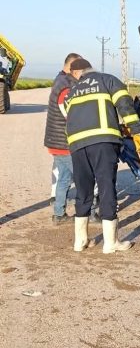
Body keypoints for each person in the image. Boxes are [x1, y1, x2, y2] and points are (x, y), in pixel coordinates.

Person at [65, 58, 140, 253]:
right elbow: (125, 106)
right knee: (106, 187)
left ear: (77, 73)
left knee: (83, 191)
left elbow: (75, 117)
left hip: (77, 145)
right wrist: (136, 131)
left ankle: (80, 241)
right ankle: (110, 243)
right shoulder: (107, 80)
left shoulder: (72, 91)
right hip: (103, 143)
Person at [44, 53, 82, 224]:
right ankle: (88, 214)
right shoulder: (66, 86)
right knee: (83, 178)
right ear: (72, 68)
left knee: (64, 178)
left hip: (56, 142)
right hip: (64, 143)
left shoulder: (60, 80)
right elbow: (70, 115)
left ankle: (59, 215)